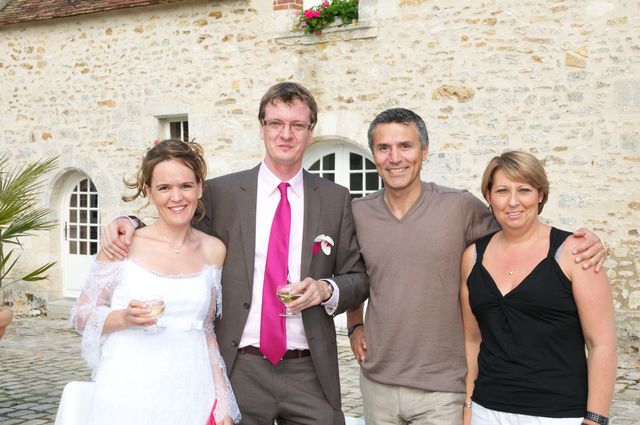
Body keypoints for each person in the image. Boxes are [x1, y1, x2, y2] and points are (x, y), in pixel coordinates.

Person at [100, 82, 369, 424]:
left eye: (297, 125)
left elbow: (358, 278)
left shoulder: (334, 198)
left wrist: (325, 289)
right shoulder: (221, 193)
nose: (286, 134)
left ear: (310, 131)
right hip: (240, 366)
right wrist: (129, 222)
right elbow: (176, 223)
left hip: (310, 371)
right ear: (261, 128)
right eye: (275, 123)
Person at [346, 108, 607, 425]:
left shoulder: (459, 206)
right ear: (373, 154)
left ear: (424, 151)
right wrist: (354, 324)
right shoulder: (358, 212)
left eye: (405, 146)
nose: (395, 157)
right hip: (377, 384)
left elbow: (518, 227)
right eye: (383, 148)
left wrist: (584, 242)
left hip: (442, 389)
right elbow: (352, 274)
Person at [70, 139, 240, 425]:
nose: (177, 197)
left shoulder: (214, 250)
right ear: (148, 192)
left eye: (186, 186)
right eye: (164, 188)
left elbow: (207, 329)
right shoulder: (123, 244)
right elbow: (81, 314)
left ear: (199, 187)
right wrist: (123, 318)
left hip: (192, 390)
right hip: (129, 389)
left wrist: (222, 400)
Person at [460, 150, 616, 425]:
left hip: (558, 414)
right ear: (488, 196)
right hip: (487, 410)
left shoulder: (575, 253)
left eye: (524, 190)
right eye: (502, 191)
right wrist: (468, 406)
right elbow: (472, 340)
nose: (513, 201)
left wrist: (595, 419)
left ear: (541, 195)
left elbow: (601, 344)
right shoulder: (472, 257)